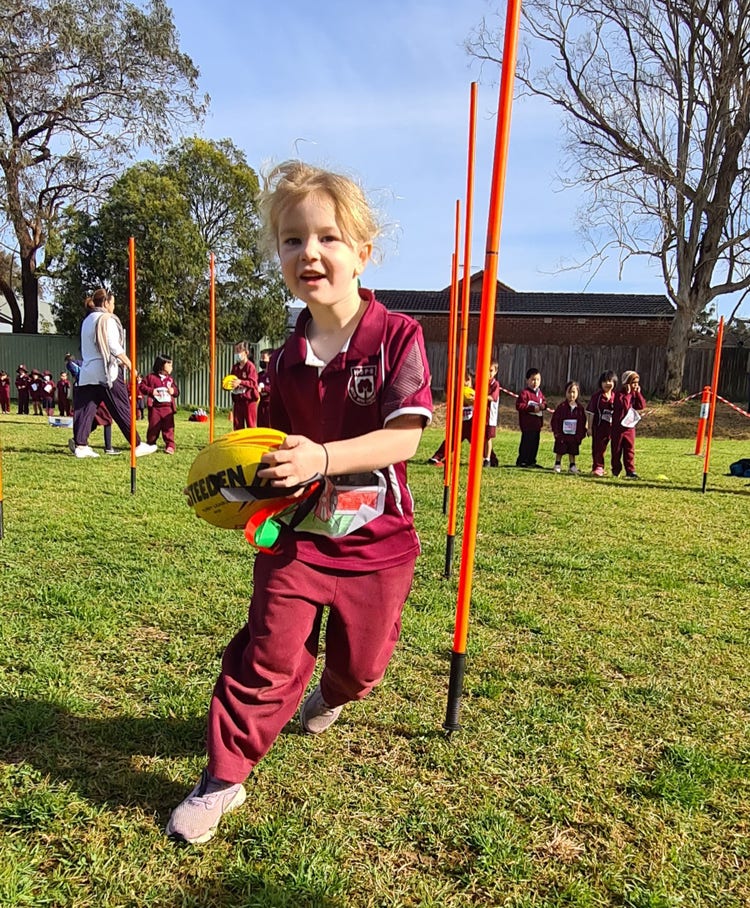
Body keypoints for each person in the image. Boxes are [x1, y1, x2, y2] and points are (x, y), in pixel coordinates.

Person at [166, 160, 433, 845]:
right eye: (291, 240)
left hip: (380, 544)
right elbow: (275, 446)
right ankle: (222, 778)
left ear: (363, 252)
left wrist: (324, 457)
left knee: (361, 668)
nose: (308, 252)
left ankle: (335, 695)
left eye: (328, 237)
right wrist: (252, 489)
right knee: (270, 653)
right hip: (299, 540)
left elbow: (404, 440)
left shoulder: (398, 335)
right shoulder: (284, 358)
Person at [70, 288, 156, 459]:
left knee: (85, 409)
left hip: (88, 370)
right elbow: (113, 345)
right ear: (107, 303)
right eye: (113, 303)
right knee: (121, 407)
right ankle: (137, 444)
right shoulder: (107, 319)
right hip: (107, 371)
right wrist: (130, 364)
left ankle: (81, 445)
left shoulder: (87, 320)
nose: (114, 307)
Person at [428, 370, 474, 465]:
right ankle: (437, 457)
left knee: (478, 443)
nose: (466, 383)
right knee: (450, 441)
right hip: (459, 425)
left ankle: (490, 459)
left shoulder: (473, 393)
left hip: (470, 425)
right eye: (464, 380)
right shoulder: (457, 393)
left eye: (468, 380)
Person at [139, 355, 180, 454]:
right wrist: (151, 391)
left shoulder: (170, 380)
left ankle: (170, 445)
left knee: (168, 427)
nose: (171, 367)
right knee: (153, 427)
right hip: (155, 408)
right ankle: (151, 443)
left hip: (168, 408)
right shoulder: (151, 377)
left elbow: (177, 392)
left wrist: (173, 391)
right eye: (169, 365)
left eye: (171, 365)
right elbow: (142, 386)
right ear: (161, 365)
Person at [611, 370, 646, 479]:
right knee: (616, 450)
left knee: (629, 450)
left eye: (637, 382)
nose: (636, 385)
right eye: (633, 382)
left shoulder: (634, 394)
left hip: (629, 428)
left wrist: (638, 393)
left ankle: (630, 471)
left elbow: (641, 405)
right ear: (627, 383)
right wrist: (628, 393)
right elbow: (625, 405)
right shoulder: (619, 395)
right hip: (618, 428)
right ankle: (616, 470)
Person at [550, 380, 588, 473]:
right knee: (560, 448)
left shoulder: (580, 409)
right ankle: (557, 464)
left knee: (573, 449)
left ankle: (572, 465)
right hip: (562, 434)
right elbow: (555, 420)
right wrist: (556, 433)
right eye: (569, 392)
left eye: (574, 392)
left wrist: (581, 434)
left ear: (578, 393)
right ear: (565, 393)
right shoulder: (561, 407)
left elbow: (582, 421)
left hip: (574, 434)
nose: (571, 395)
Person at [586, 370, 618, 476]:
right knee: (598, 448)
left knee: (614, 449)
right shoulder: (597, 397)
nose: (607, 384)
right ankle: (598, 467)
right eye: (604, 381)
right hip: (599, 427)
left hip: (612, 428)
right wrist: (589, 427)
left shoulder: (616, 396)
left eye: (609, 381)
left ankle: (616, 469)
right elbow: (590, 412)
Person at [515, 368, 546, 467]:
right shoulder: (525, 393)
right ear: (527, 380)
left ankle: (532, 461)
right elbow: (519, 406)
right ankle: (522, 460)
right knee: (526, 443)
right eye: (533, 379)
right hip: (527, 425)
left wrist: (543, 406)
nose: (535, 382)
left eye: (537, 379)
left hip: (537, 425)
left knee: (535, 444)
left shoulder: (539, 393)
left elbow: (544, 402)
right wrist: (532, 408)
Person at [228, 342, 259, 429]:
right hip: (238, 400)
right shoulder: (235, 367)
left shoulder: (250, 367)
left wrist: (240, 382)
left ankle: (251, 442)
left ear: (246, 352)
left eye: (239, 351)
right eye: (235, 351)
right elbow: (232, 379)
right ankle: (239, 442)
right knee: (237, 424)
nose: (237, 354)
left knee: (251, 425)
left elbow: (253, 383)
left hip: (249, 401)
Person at [484, 361, 500, 467]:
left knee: (488, 438)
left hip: (490, 417)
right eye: (487, 370)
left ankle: (488, 459)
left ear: (495, 372)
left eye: (491, 371)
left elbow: (492, 397)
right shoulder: (481, 382)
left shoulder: (495, 384)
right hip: (481, 416)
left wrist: (479, 397)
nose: (489, 373)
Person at [256, 348, 273, 428]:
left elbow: (273, 388)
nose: (261, 360)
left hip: (270, 405)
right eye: (261, 358)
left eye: (263, 358)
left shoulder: (273, 375)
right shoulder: (259, 375)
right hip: (261, 404)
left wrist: (263, 389)